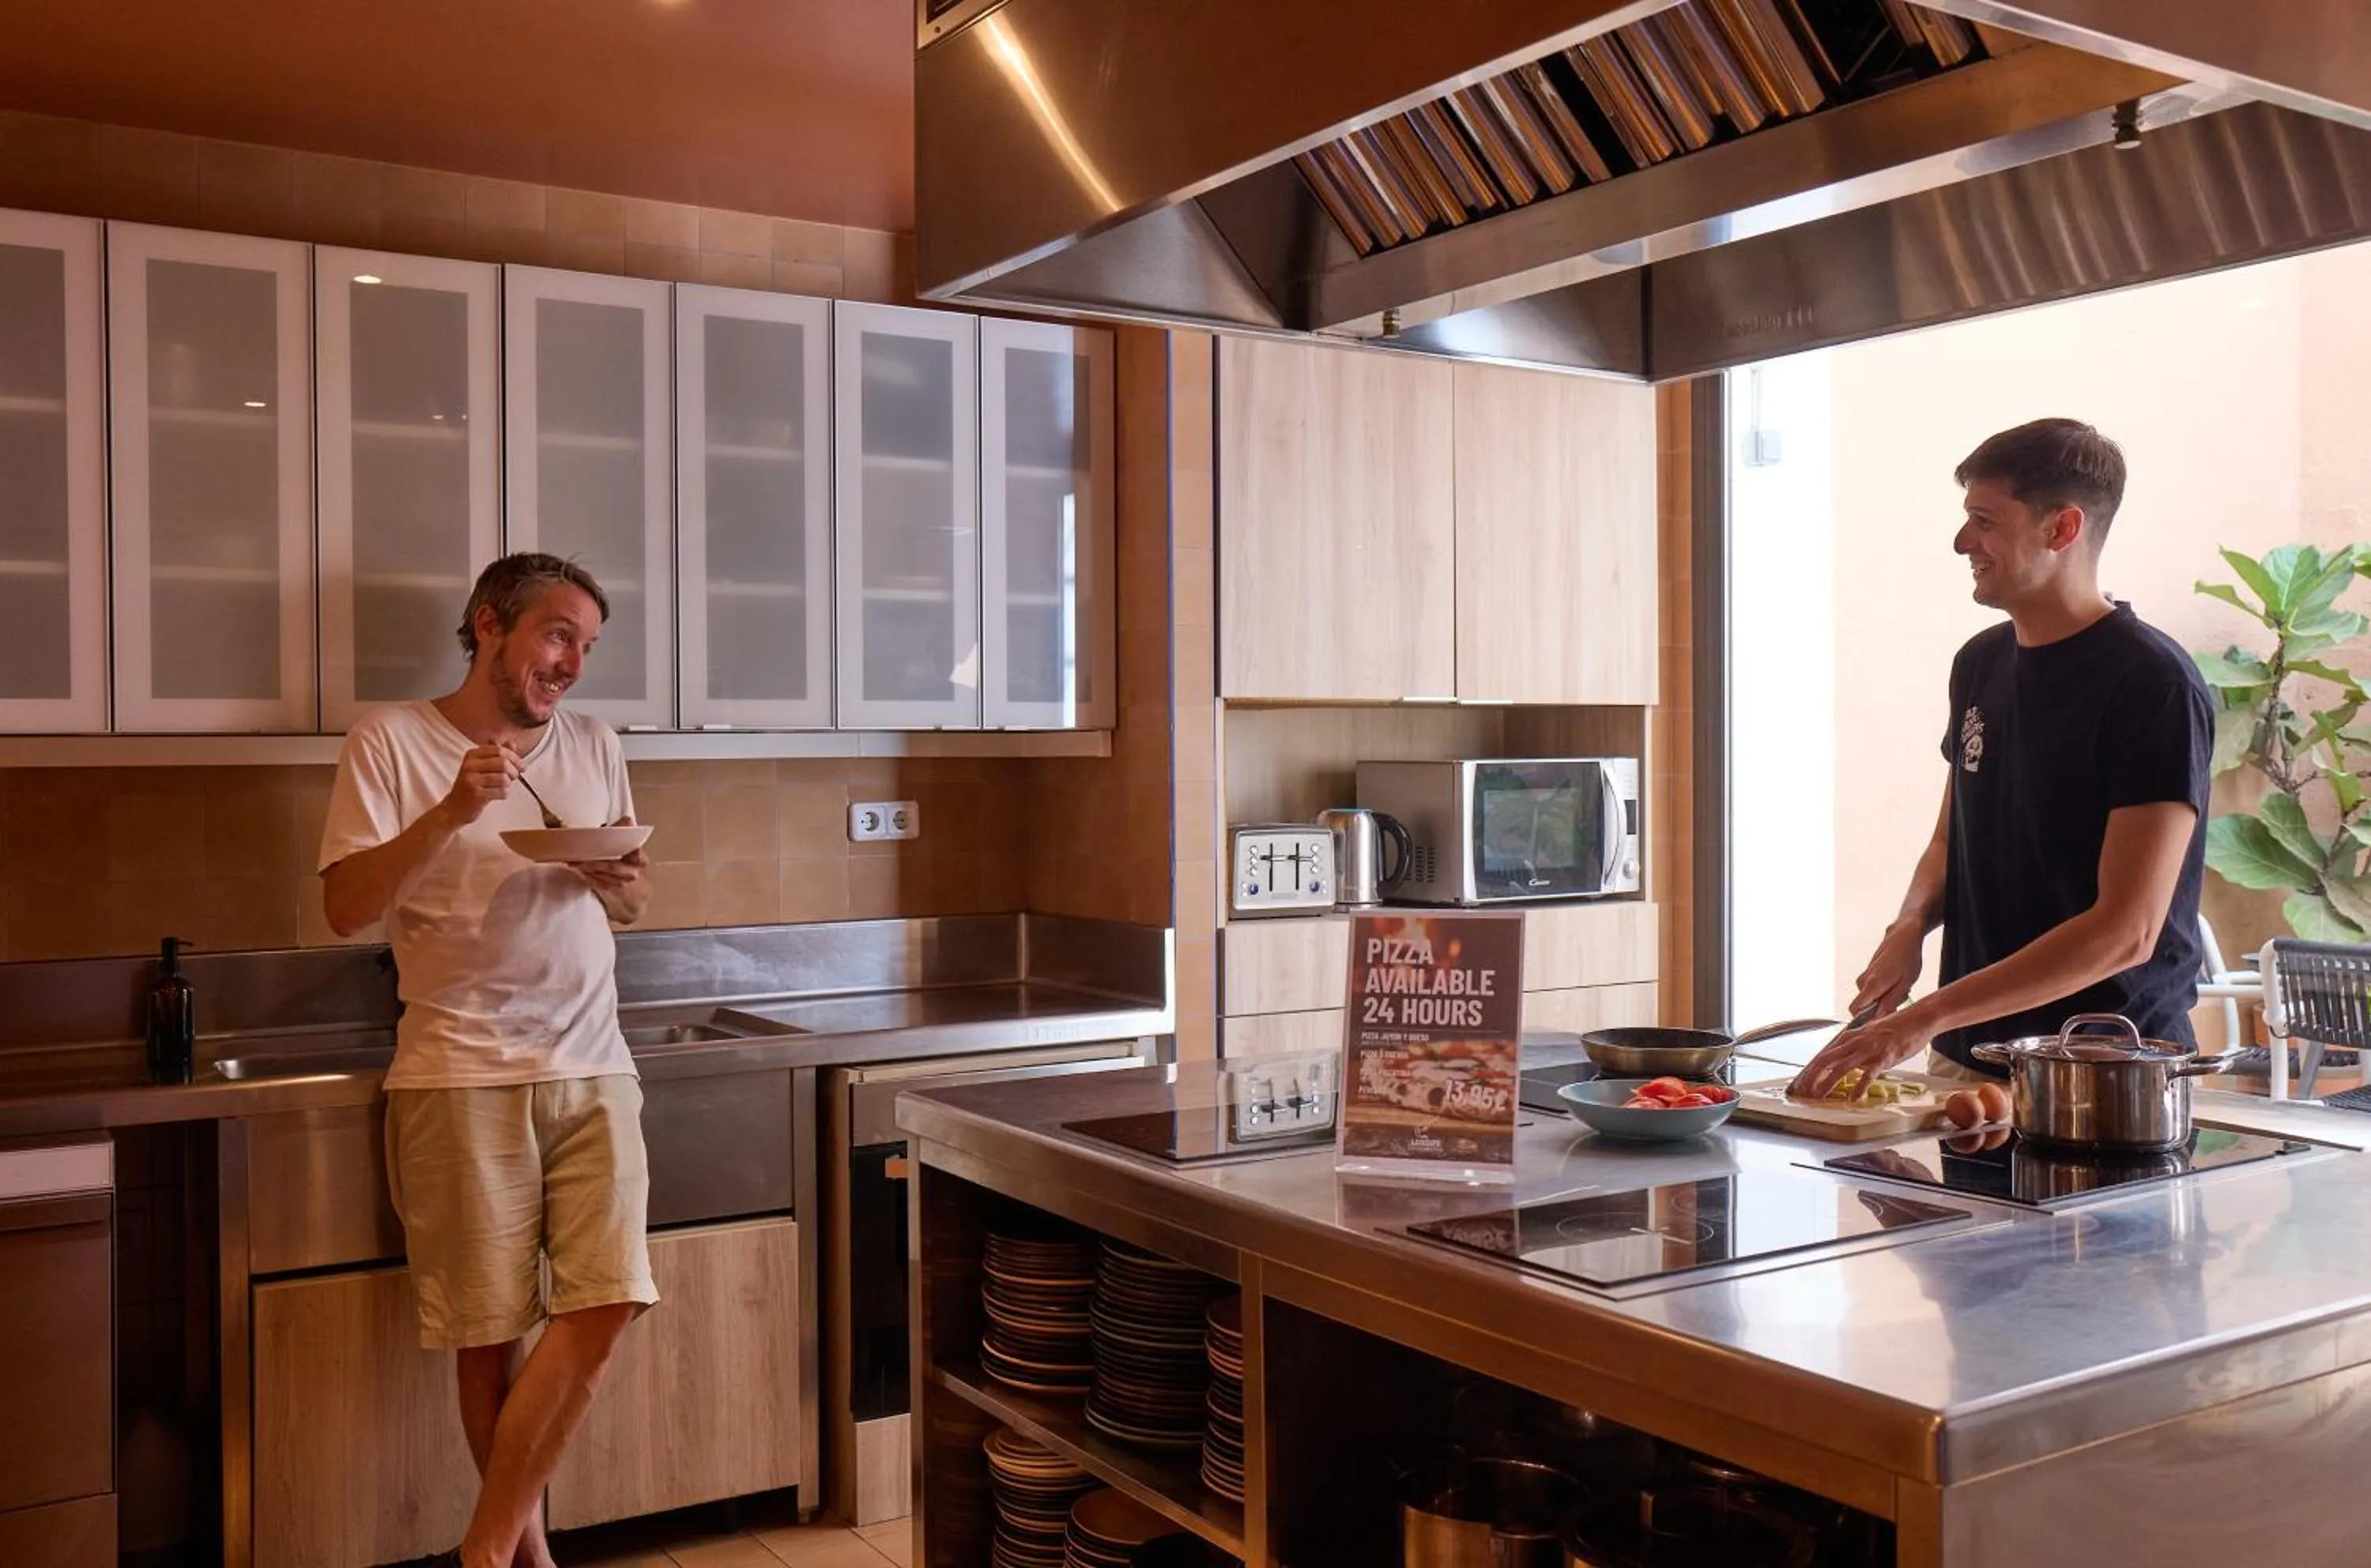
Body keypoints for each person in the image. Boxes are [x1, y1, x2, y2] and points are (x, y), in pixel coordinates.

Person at [318, 552, 656, 1568]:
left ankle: (483, 1547)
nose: (572, 663)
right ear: (490, 624)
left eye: (587, 645)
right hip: (458, 1066)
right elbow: (344, 908)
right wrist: (454, 811)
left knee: (607, 1302)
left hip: (594, 1057)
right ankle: (528, 1557)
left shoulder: (593, 743)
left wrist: (614, 879)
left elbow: (634, 903)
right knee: (489, 1331)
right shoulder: (391, 739)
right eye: (558, 634)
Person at [1793, 418, 2211, 1100]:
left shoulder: (2154, 683)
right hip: (1967, 1058)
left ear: (2061, 529)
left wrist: (1922, 1017)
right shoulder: (1980, 662)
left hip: (2099, 1072)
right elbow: (1951, 837)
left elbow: (2127, 931)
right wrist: (1908, 929)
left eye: (1984, 521)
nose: (1962, 542)